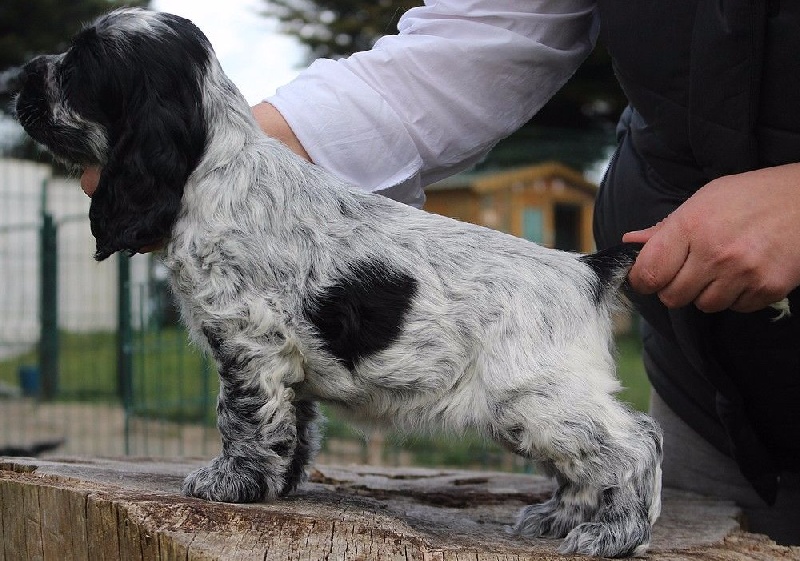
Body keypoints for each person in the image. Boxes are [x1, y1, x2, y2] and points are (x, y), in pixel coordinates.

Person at [84, 0, 800, 544]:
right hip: (714, 385)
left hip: (535, 300)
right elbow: (485, 34)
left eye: (80, 87)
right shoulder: (218, 207)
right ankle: (591, 495)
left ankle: (614, 485)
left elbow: (254, 353)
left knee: (536, 403)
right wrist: (221, 162)